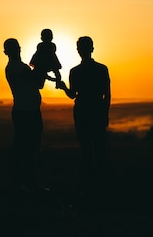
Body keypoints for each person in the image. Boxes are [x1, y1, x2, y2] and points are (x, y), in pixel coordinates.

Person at [56, 36, 111, 191]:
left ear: (79, 50)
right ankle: (101, 181)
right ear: (91, 49)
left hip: (82, 110)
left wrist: (63, 88)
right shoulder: (101, 69)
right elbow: (107, 95)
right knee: (99, 146)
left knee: (86, 146)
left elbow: (72, 94)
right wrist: (105, 113)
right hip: (96, 109)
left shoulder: (75, 71)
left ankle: (90, 181)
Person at [3, 38, 47, 192]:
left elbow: (37, 82)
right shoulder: (16, 68)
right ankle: (29, 183)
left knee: (26, 147)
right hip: (26, 111)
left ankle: (24, 182)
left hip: (27, 110)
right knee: (29, 148)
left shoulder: (16, 67)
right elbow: (37, 82)